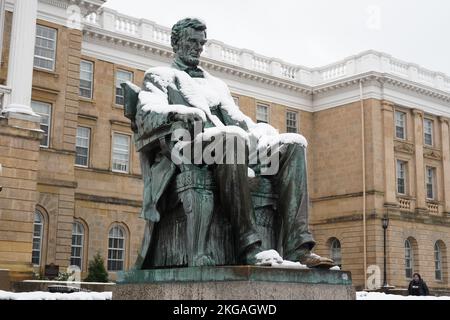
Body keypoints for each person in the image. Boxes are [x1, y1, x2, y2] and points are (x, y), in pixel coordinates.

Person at [133, 17, 334, 268]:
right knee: (232, 139)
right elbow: (147, 113)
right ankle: (249, 245)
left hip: (231, 147)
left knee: (293, 144)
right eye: (192, 42)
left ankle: (298, 247)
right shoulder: (160, 76)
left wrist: (264, 131)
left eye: (201, 43)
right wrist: (176, 112)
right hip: (189, 149)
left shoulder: (215, 84)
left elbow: (240, 122)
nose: (198, 48)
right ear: (176, 42)